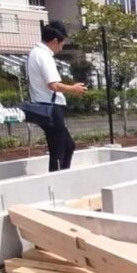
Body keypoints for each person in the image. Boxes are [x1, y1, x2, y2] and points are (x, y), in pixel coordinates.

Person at [25, 20, 86, 171]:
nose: (62, 47)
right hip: (51, 108)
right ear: (54, 41)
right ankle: (57, 183)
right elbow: (53, 85)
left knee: (68, 146)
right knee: (58, 151)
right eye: (62, 43)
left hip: (44, 106)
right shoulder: (44, 56)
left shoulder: (34, 53)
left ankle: (62, 177)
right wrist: (74, 89)